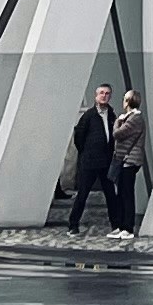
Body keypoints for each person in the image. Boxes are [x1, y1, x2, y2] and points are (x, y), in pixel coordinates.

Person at [66, 84, 117, 235]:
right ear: (96, 96)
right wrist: (86, 152)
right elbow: (79, 136)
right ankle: (73, 225)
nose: (104, 96)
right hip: (90, 162)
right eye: (101, 93)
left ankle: (116, 224)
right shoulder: (88, 116)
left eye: (107, 93)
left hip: (106, 162)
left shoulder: (111, 115)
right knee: (82, 194)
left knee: (111, 195)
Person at [109, 89, 147, 236]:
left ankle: (128, 228)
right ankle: (121, 226)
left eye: (125, 99)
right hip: (124, 160)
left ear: (128, 102)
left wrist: (117, 121)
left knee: (127, 194)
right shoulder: (131, 118)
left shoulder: (135, 119)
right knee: (121, 193)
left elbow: (117, 134)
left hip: (129, 160)